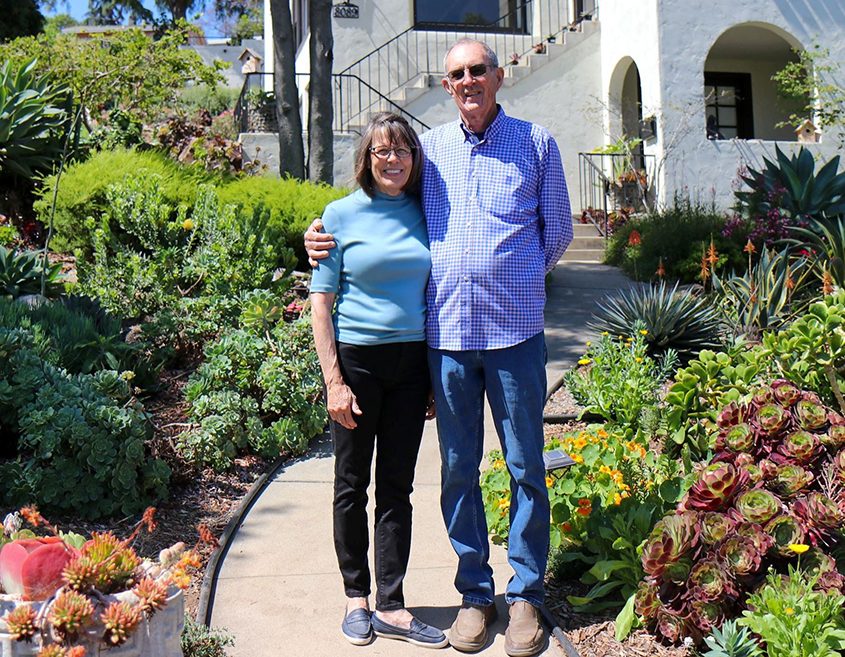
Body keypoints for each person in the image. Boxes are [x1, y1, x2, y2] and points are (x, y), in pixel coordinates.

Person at [307, 39, 572, 657]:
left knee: (526, 466)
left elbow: (556, 233)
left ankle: (527, 596)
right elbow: (383, 208)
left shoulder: (536, 145)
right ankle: (477, 595)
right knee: (456, 469)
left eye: (479, 70)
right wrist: (317, 235)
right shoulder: (434, 154)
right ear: (447, 86)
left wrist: (512, 278)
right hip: (448, 341)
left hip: (514, 334)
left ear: (498, 77)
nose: (468, 80)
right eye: (457, 74)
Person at [310, 112, 448, 650]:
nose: (393, 160)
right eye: (381, 151)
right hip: (358, 364)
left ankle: (392, 604)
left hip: (411, 365)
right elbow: (321, 303)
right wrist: (334, 381)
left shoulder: (426, 212)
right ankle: (355, 599)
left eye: (403, 151)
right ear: (366, 159)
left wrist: (434, 376)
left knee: (398, 487)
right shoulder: (339, 215)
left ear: (415, 160)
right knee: (351, 485)